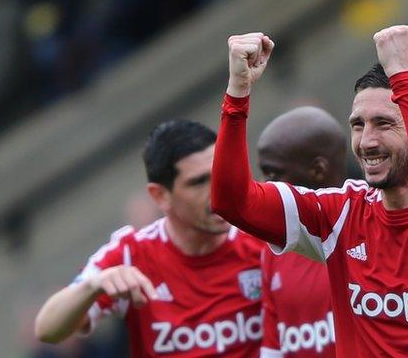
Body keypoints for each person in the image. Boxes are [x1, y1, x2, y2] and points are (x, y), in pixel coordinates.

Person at [212, 27, 408, 357]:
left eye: (384, 124)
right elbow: (232, 202)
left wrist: (403, 73)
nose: (367, 141)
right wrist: (238, 94)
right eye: (358, 125)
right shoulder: (339, 213)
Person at [35, 119, 264, 357]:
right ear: (161, 195)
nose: (218, 192)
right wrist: (93, 286)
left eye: (220, 174)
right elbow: (47, 330)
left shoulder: (265, 237)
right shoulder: (131, 253)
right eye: (198, 182)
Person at [257, 107, 346, 357]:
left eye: (273, 173)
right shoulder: (274, 248)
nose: (266, 185)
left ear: (318, 170)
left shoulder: (370, 229)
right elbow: (273, 349)